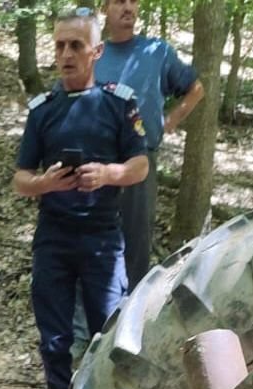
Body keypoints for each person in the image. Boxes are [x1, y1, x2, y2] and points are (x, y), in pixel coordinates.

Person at [14, 8, 149, 389]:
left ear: (96, 51)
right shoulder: (43, 109)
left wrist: (108, 173)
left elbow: (140, 165)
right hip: (53, 238)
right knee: (53, 338)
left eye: (76, 45)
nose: (66, 54)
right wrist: (44, 184)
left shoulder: (118, 103)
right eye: (59, 46)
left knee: (106, 333)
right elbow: (20, 178)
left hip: (102, 238)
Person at [96, 0, 203, 287]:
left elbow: (195, 89)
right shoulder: (94, 54)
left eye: (133, 1)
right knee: (93, 239)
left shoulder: (156, 52)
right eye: (119, 1)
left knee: (136, 241)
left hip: (141, 161)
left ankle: (130, 313)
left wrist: (172, 119)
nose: (128, 7)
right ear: (105, 7)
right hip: (98, 162)